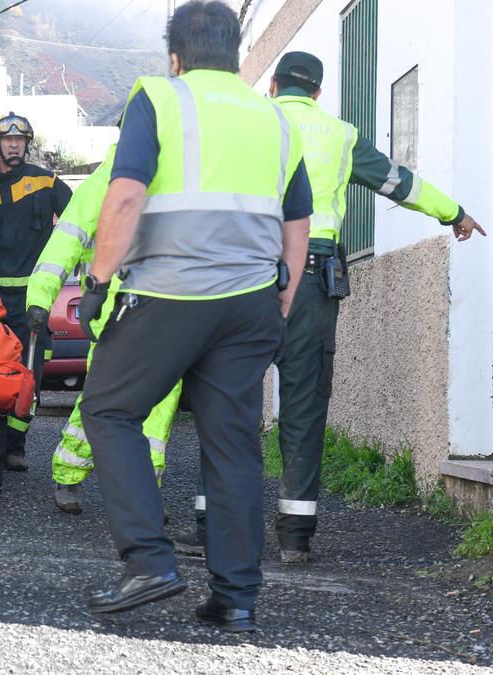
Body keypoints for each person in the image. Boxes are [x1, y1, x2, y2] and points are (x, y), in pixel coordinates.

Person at [174, 51, 486, 563]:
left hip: (241, 272)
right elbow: (397, 182)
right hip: (314, 279)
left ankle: (214, 526)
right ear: (318, 92)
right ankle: (295, 537)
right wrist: (453, 211)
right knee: (303, 404)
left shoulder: (243, 122)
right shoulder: (340, 135)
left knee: (226, 397)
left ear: (272, 84)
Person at [77, 1, 312, 632]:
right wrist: (279, 309)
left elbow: (125, 195)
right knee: (232, 445)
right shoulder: (276, 118)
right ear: (236, 55)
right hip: (251, 304)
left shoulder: (159, 97)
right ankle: (235, 598)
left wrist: (97, 281)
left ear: (175, 57)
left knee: (107, 408)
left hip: (170, 294)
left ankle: (149, 560)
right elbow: (298, 226)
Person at [24, 144, 181, 515]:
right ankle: (68, 473)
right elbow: (68, 237)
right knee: (101, 399)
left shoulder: (188, 166)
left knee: (160, 407)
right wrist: (40, 297)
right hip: (118, 313)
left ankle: (144, 493)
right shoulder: (113, 172)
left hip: (172, 311)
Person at [0, 113, 73, 472]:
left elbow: (77, 224)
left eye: (20, 140)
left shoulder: (46, 182)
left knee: (28, 375)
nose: (14, 145)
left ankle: (14, 447)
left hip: (33, 300)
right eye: (8, 140)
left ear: (27, 144)